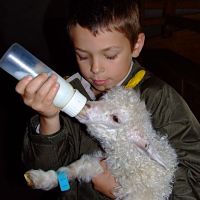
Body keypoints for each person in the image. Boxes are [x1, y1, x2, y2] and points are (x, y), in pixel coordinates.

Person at [15, 0, 200, 199]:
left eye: (110, 55)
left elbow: (195, 177)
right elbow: (48, 172)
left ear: (136, 45)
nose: (95, 69)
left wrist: (121, 191)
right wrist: (48, 118)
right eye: (83, 56)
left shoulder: (159, 98)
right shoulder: (68, 92)